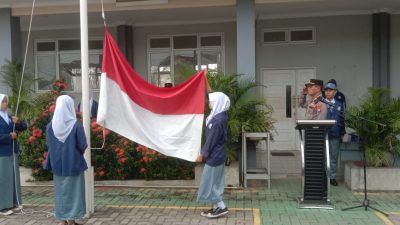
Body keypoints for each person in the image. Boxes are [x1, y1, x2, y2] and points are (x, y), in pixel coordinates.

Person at [44, 95, 88, 225]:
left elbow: (49, 144)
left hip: (57, 164)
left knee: (60, 191)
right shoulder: (76, 125)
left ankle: (62, 220)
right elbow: (82, 145)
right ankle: (72, 220)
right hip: (74, 163)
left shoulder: (50, 126)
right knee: (74, 192)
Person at [196, 91, 230, 219]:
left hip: (215, 156)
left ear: (217, 103)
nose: (208, 102)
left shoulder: (217, 120)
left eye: (211, 101)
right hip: (217, 154)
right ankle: (216, 207)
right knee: (214, 181)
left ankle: (221, 207)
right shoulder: (219, 115)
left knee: (211, 182)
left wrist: (203, 154)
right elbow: (217, 95)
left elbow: (211, 140)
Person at [0, 94, 27, 216]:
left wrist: (18, 122)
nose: (5, 103)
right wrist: (9, 136)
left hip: (12, 151)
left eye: (6, 101)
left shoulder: (10, 117)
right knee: (4, 179)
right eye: (3, 101)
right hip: (2, 153)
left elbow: (23, 127)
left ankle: (14, 203)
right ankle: (3, 207)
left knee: (13, 178)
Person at [324, 82, 345, 186]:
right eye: (326, 90)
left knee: (333, 156)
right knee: (323, 156)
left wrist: (342, 133)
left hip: (335, 134)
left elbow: (342, 120)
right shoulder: (321, 103)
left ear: (335, 92)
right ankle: (323, 176)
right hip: (323, 134)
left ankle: (332, 177)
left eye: (330, 90)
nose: (328, 92)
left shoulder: (339, 105)